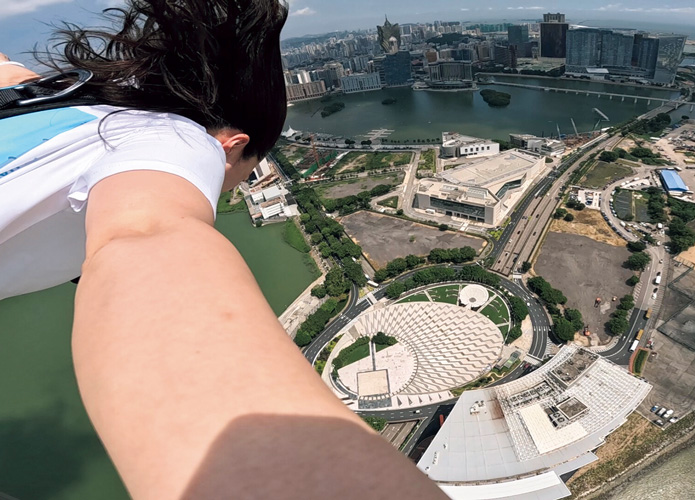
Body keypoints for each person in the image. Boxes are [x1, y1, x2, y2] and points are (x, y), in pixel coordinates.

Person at [0, 1, 446, 498]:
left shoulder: (58, 92)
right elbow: (147, 235)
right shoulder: (180, 142)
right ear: (233, 145)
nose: (230, 186)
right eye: (245, 171)